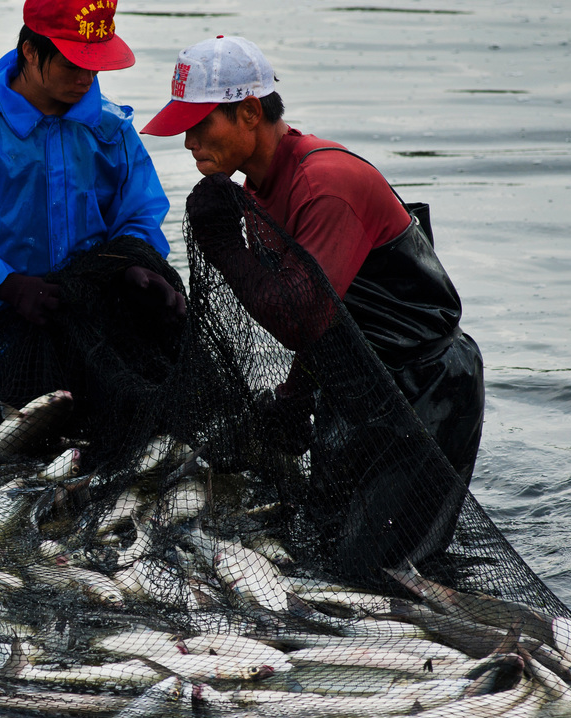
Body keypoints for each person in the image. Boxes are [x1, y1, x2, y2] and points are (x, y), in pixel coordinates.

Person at [141, 35, 484, 488]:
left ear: (249, 112)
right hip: (356, 388)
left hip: (426, 388)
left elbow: (302, 318)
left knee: (384, 557)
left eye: (199, 124)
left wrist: (224, 247)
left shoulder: (325, 185)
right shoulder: (257, 189)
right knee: (322, 544)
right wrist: (295, 398)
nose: (188, 142)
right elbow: (328, 320)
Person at [0, 0, 185, 346]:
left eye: (95, 67)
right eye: (73, 65)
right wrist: (7, 287)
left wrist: (131, 265)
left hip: (97, 324)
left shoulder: (111, 131)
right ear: (31, 52)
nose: (86, 80)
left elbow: (140, 212)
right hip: (2, 333)